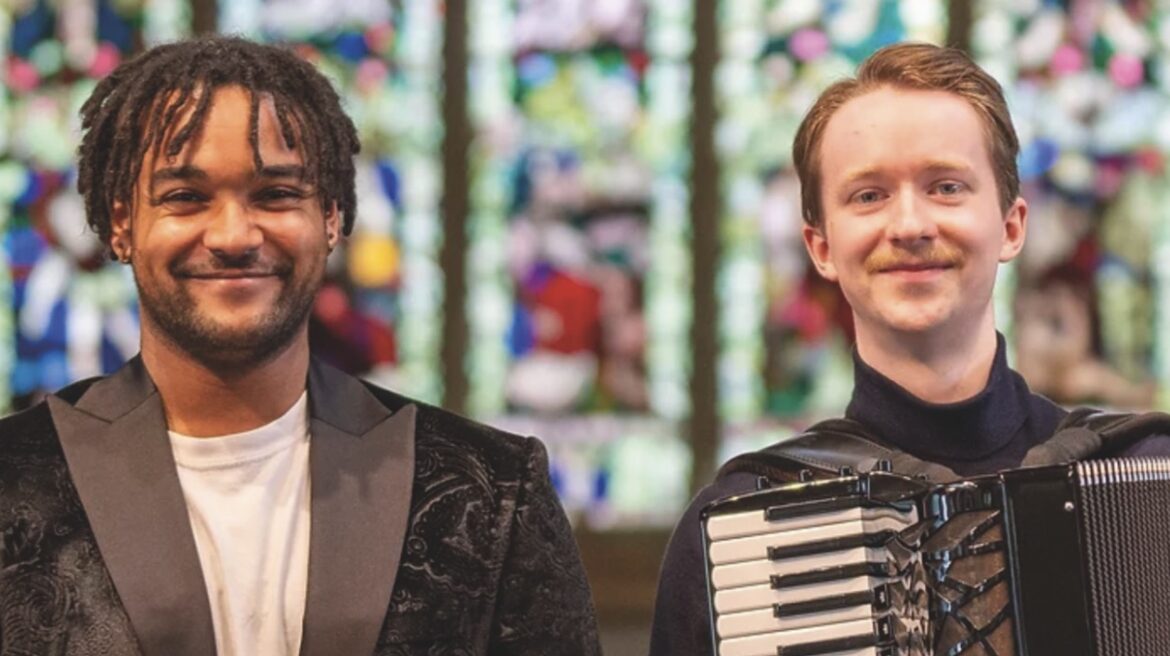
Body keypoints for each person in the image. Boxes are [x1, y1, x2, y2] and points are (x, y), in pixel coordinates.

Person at [0, 36, 600, 656]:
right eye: (186, 197)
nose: (234, 234)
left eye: (276, 194)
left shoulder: (493, 492)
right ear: (122, 222)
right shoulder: (11, 483)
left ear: (333, 218)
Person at [648, 42, 1170, 655]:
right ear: (820, 247)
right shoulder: (747, 523)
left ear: (1011, 227)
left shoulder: (1147, 474)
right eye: (868, 195)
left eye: (946, 186)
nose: (910, 226)